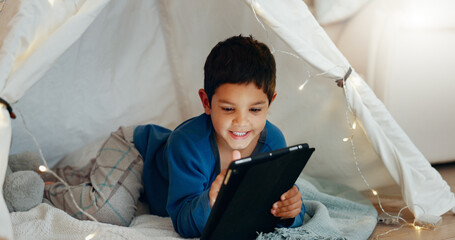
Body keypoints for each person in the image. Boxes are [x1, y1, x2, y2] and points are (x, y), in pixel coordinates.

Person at [43, 35, 305, 238]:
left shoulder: (273, 142)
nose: (242, 121)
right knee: (110, 211)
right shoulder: (190, 143)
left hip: (159, 182)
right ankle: (44, 185)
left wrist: (291, 211)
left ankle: (76, 174)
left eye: (256, 109)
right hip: (137, 152)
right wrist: (212, 201)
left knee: (117, 193)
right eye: (228, 109)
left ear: (270, 103)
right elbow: (183, 222)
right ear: (206, 102)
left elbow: (276, 203)